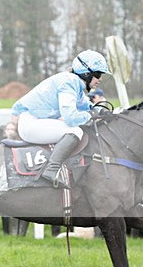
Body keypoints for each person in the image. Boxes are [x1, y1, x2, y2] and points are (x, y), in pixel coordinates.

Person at [11, 49, 110, 188]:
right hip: (31, 124)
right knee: (76, 131)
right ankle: (51, 170)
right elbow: (70, 117)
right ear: (86, 73)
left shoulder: (76, 84)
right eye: (98, 74)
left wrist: (100, 111)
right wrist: (90, 115)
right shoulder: (70, 81)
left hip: (35, 121)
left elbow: (85, 105)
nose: (100, 79)